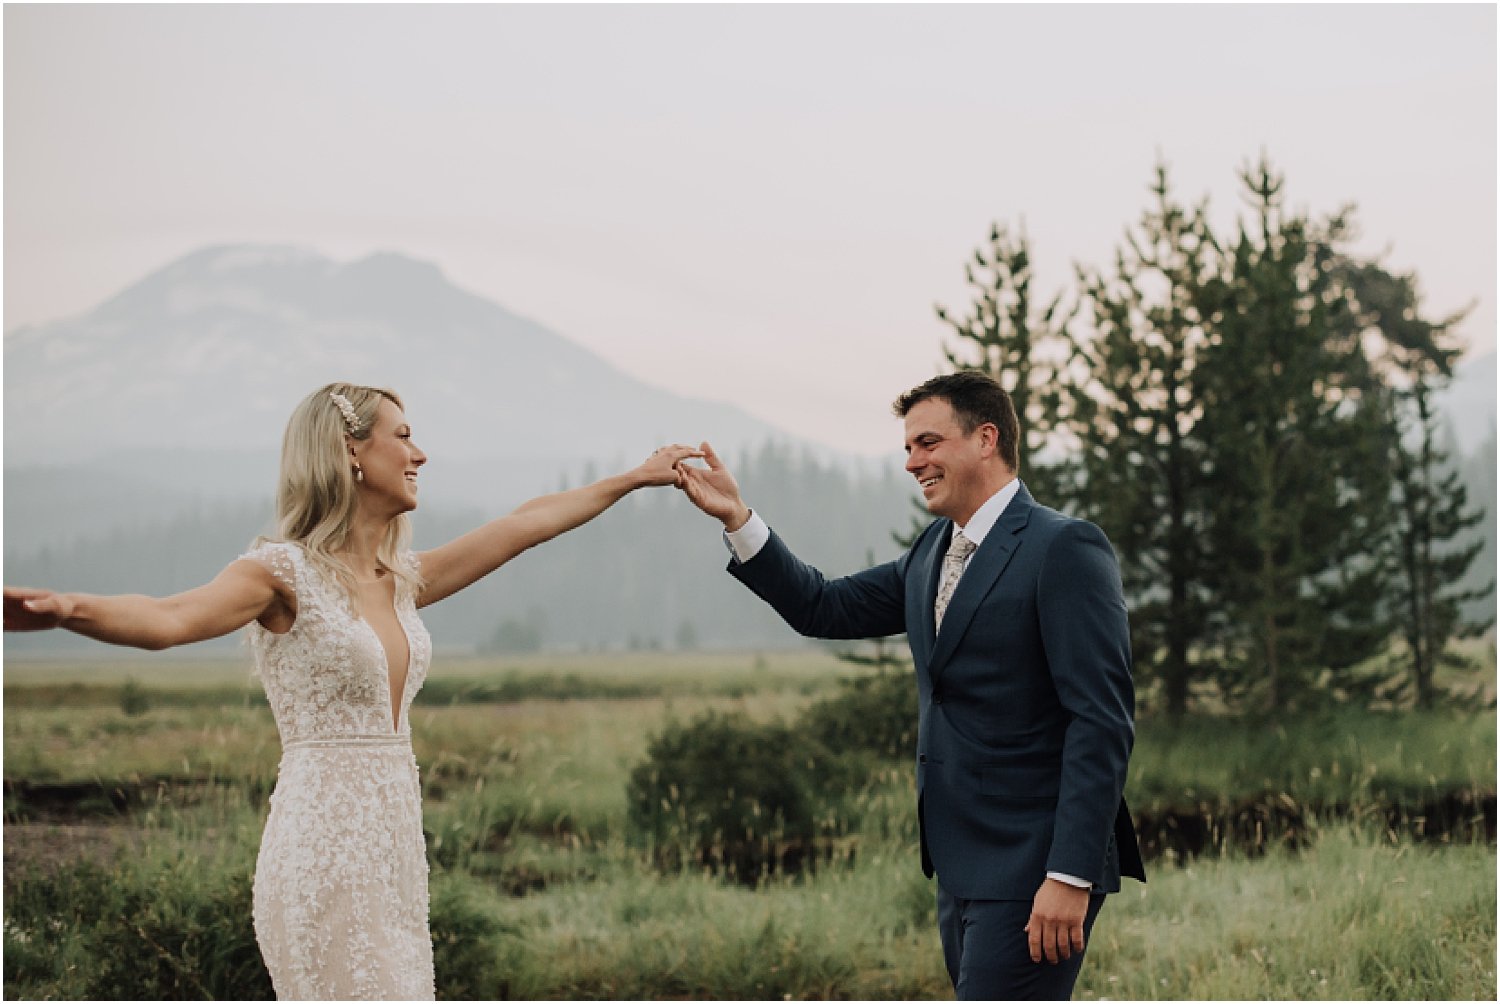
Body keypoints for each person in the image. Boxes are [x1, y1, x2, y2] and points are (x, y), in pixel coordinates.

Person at [3, 383, 701, 1001]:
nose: (420, 454)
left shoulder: (401, 579)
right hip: (323, 852)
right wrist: (68, 609)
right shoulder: (278, 573)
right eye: (403, 436)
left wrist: (635, 479)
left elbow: (522, 526)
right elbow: (170, 619)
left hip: (394, 855)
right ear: (350, 453)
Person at [675, 370, 1145, 1000]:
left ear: (985, 439)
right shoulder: (930, 553)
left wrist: (1070, 873)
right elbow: (823, 606)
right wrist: (737, 517)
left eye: (927, 443)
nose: (912, 462)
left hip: (1037, 865)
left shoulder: (1065, 548)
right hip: (958, 866)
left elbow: (1102, 720)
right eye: (906, 448)